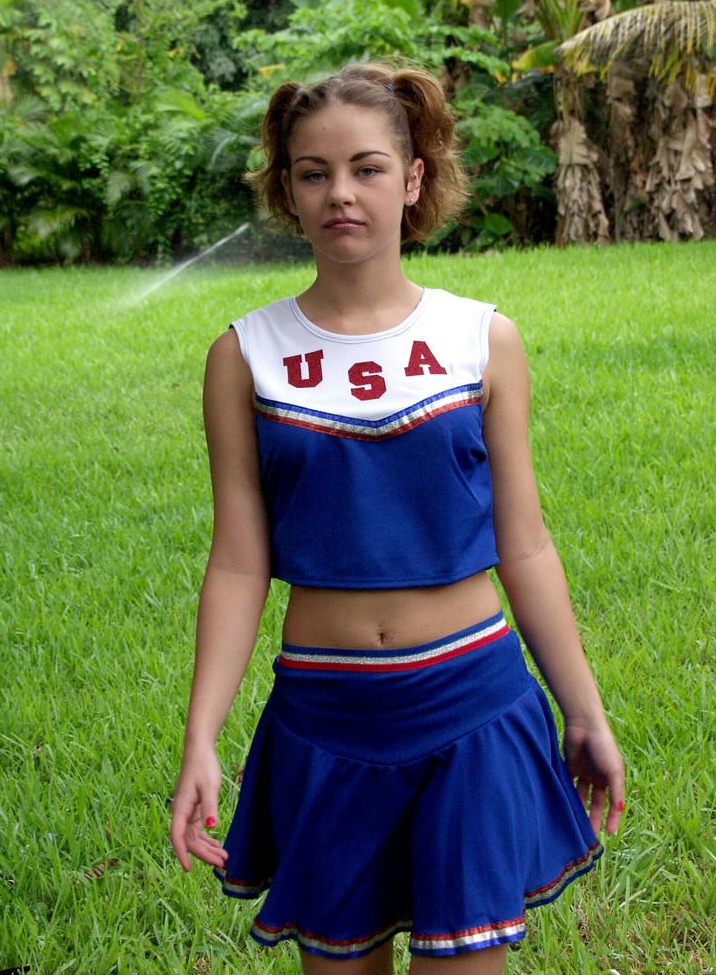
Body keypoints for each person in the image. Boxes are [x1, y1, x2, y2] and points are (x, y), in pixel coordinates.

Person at [169, 62, 625, 975]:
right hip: (324, 715)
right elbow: (238, 562)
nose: (341, 193)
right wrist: (201, 736)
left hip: (472, 704)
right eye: (313, 172)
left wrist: (584, 709)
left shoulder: (481, 337)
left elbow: (525, 542)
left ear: (413, 180)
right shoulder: (245, 353)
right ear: (287, 190)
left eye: (367, 168)